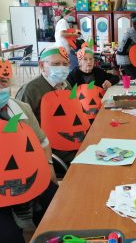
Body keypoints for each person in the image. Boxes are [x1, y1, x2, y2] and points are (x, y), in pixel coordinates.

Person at [0, 58, 57, 243]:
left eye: (2, 81)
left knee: (59, 207)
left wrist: (49, 168)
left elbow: (43, 142)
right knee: (10, 238)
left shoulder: (21, 109)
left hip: (28, 175)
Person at [16, 46, 71, 124]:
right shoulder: (30, 90)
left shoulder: (67, 85)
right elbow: (20, 122)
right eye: (56, 64)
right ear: (42, 65)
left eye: (65, 64)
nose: (61, 68)